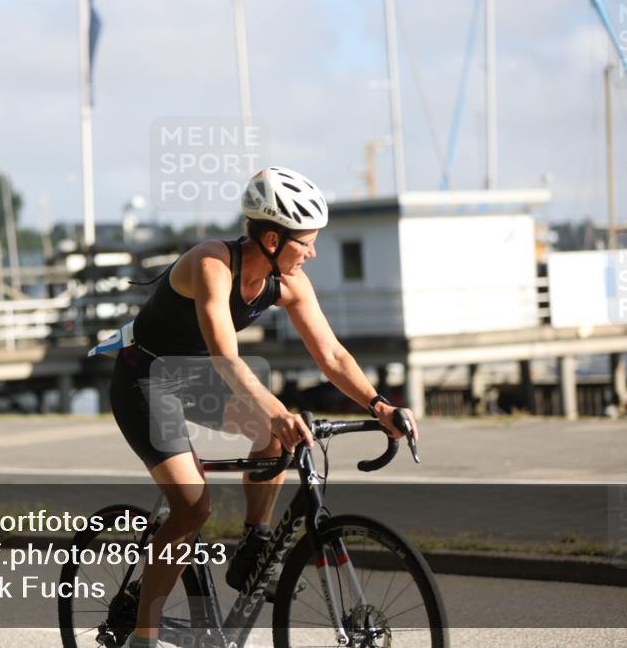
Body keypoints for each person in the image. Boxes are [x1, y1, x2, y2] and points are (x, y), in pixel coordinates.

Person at [108, 167, 420, 648]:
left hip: (195, 381)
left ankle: (253, 544)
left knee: (276, 432)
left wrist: (380, 405)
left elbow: (333, 356)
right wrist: (275, 409)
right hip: (146, 381)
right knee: (193, 508)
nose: (313, 252)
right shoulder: (211, 264)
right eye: (306, 242)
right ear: (272, 239)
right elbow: (225, 356)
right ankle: (143, 639)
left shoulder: (290, 282)